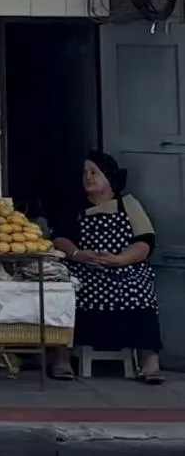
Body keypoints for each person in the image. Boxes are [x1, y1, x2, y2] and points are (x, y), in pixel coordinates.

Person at [49, 151, 164, 385]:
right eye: (85, 173)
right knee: (64, 293)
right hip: (85, 269)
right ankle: (61, 360)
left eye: (94, 172)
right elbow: (59, 238)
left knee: (139, 291)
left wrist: (120, 260)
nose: (88, 177)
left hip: (124, 268)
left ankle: (149, 364)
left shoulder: (129, 205)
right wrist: (79, 254)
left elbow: (145, 243)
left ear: (109, 177)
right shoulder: (74, 206)